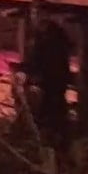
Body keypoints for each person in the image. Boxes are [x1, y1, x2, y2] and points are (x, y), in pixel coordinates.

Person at [21, 19, 73, 162]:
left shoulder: (51, 38)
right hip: (51, 81)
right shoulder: (43, 36)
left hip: (52, 80)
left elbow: (41, 62)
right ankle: (55, 143)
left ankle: (55, 144)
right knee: (53, 110)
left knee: (51, 111)